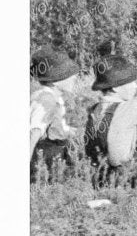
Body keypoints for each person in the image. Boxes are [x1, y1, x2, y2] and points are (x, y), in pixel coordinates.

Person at [30, 48, 94, 179]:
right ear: (54, 80)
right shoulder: (47, 100)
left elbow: (55, 126)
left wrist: (75, 132)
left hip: (53, 153)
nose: (74, 78)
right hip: (47, 156)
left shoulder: (52, 96)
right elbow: (34, 132)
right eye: (68, 75)